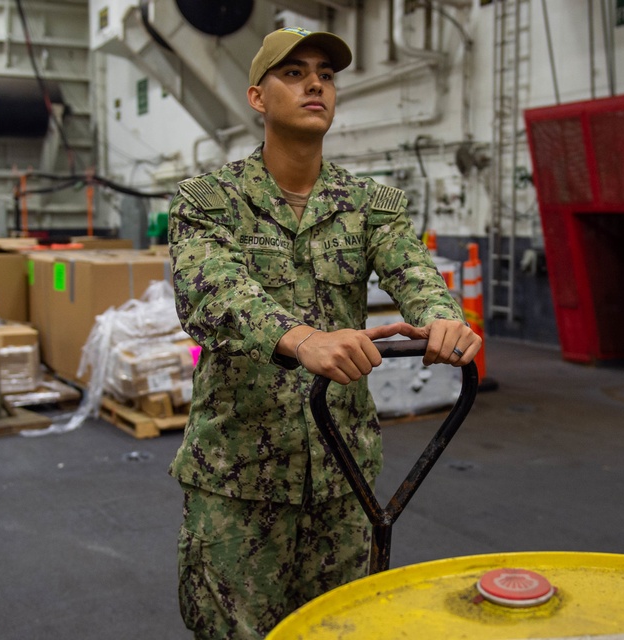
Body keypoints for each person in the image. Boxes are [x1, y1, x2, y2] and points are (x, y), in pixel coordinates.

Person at [166, 26, 481, 640]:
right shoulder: (207, 201)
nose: (315, 83)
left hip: (342, 473)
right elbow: (211, 290)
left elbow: (412, 268)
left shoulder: (369, 203)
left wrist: (443, 315)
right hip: (237, 476)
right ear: (258, 98)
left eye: (326, 74)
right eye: (293, 72)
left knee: (340, 630)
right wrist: (301, 337)